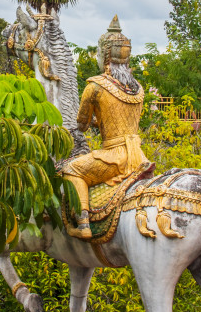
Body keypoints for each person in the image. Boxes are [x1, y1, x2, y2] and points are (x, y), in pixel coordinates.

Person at [60, 16, 153, 240]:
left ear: (105, 55)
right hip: (138, 156)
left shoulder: (95, 87)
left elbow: (81, 126)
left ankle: (82, 223)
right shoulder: (138, 89)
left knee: (71, 170)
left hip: (114, 157)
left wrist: (92, 120)